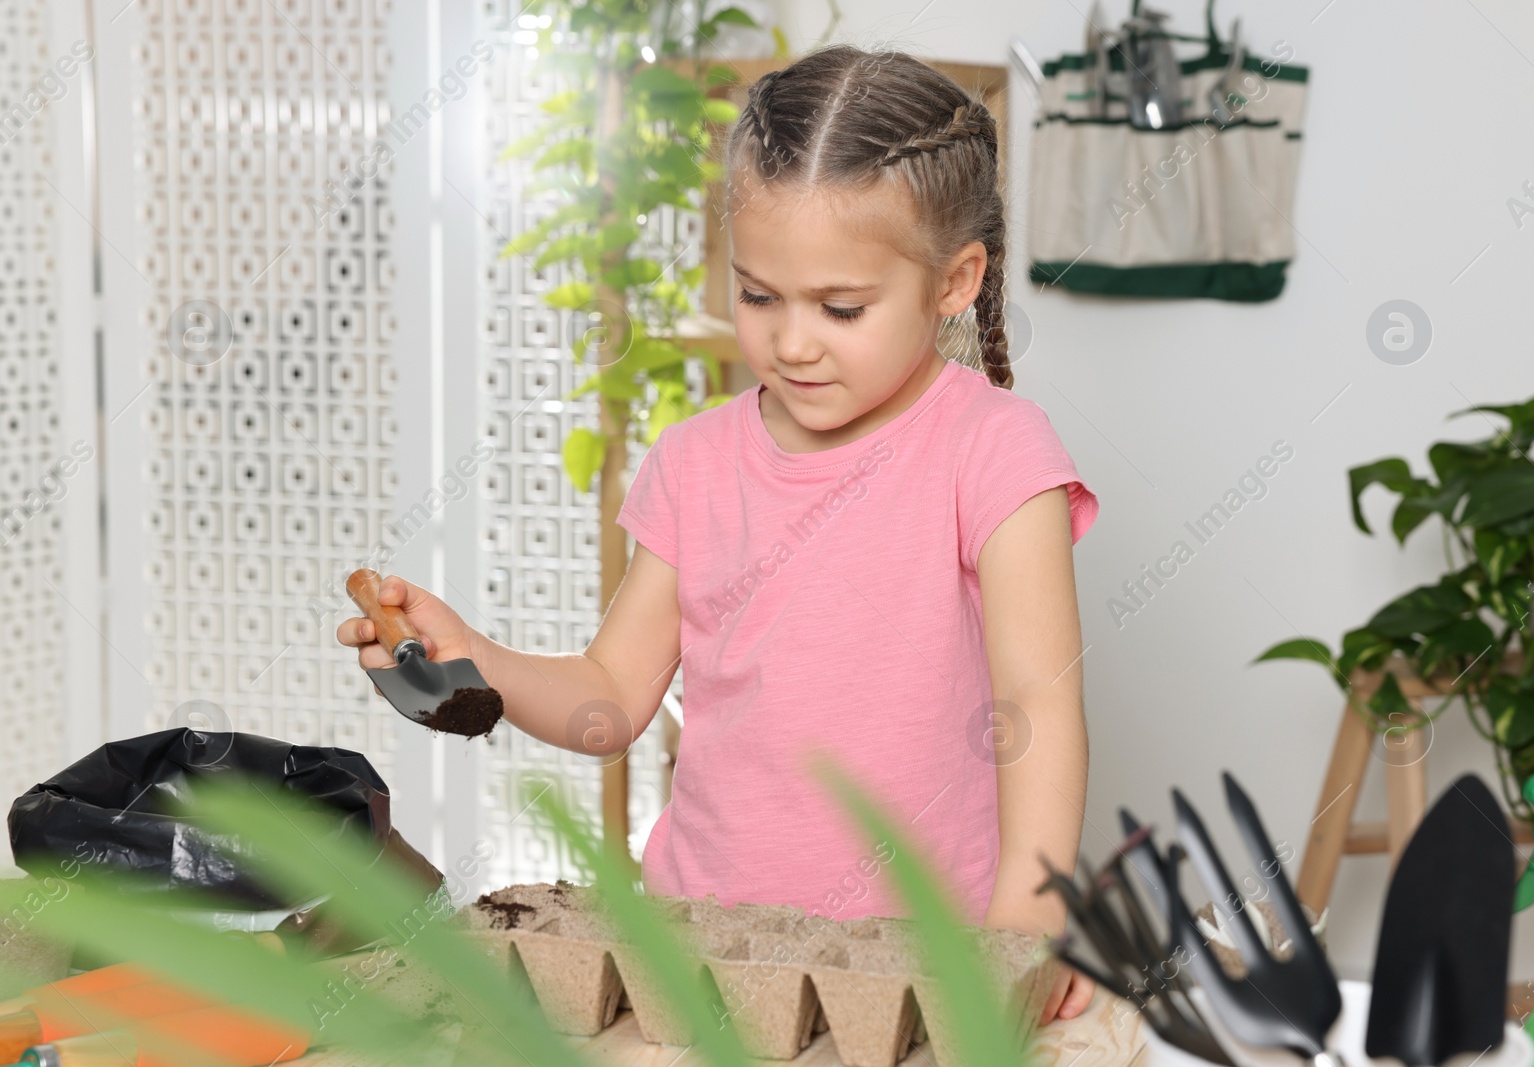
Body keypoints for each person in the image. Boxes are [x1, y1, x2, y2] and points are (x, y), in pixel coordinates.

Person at [338, 43, 1100, 1023]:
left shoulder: (994, 450)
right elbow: (609, 700)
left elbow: (1034, 709)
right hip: (700, 958)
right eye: (757, 294)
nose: (790, 340)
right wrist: (472, 655)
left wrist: (1024, 930)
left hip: (921, 973)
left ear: (954, 281)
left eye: (840, 306)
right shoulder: (694, 463)